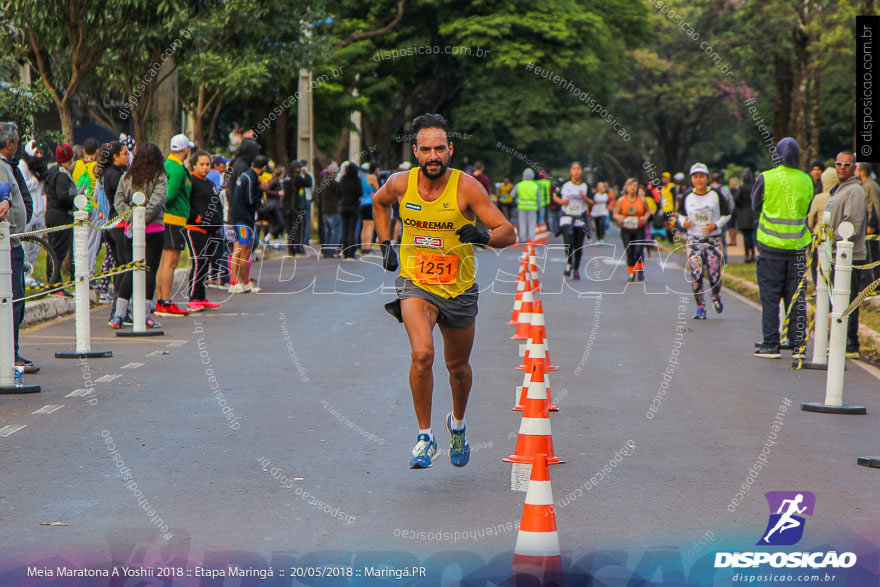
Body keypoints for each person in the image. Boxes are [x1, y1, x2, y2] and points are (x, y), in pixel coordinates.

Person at [373, 113, 515, 469]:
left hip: (458, 290)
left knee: (458, 368)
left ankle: (457, 425)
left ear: (450, 150)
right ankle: (425, 437)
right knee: (422, 355)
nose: (433, 156)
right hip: (416, 282)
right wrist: (386, 244)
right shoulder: (400, 184)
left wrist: (483, 236)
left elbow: (507, 232)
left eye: (439, 149)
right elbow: (379, 203)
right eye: (426, 150)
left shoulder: (467, 188)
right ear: (416, 152)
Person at [751, 138, 813, 359]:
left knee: (770, 298)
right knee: (796, 297)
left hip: (770, 249)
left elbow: (754, 205)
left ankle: (771, 344)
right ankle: (798, 345)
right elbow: (807, 207)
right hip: (797, 249)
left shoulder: (766, 178)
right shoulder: (806, 180)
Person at [110, 142, 167, 329]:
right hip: (154, 229)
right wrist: (143, 217)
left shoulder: (128, 176)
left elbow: (118, 199)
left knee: (130, 269)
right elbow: (157, 201)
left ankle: (119, 315)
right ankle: (144, 315)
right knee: (149, 270)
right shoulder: (160, 176)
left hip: (131, 229)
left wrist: (131, 217)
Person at [0, 123, 37, 373]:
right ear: (9, 143)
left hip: (11, 242)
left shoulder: (7, 165)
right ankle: (9, 355)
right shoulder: (3, 166)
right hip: (7, 244)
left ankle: (10, 352)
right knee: (12, 298)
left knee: (14, 298)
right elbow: (6, 195)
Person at [826, 151, 867, 359]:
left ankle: (850, 343)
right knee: (839, 300)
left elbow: (853, 224)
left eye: (847, 164)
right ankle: (840, 341)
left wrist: (836, 240)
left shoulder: (855, 191)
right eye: (839, 164)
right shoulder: (840, 189)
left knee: (848, 300)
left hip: (850, 256)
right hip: (837, 254)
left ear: (854, 168)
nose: (842, 167)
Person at [678, 163, 730, 319]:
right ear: (691, 179)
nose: (698, 180)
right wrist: (683, 222)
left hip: (712, 240)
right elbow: (680, 214)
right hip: (694, 240)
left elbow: (727, 214)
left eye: (701, 177)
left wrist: (715, 225)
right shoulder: (687, 196)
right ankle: (700, 307)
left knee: (714, 274)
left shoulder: (716, 194)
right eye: (695, 177)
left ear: (707, 178)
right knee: (696, 274)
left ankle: (715, 295)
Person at [154, 134, 193, 318]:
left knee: (164, 262)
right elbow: (168, 196)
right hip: (173, 219)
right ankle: (166, 301)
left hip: (167, 219)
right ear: (185, 150)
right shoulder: (177, 169)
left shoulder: (167, 165)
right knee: (171, 262)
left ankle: (161, 301)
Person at [95, 141, 130, 321]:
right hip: (118, 224)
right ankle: (119, 311)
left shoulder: (114, 173)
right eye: (125, 153)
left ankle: (120, 310)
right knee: (125, 267)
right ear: (115, 156)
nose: (128, 156)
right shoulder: (115, 175)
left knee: (121, 267)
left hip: (114, 223)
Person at [184, 150, 222, 312]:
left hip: (211, 230)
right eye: (202, 164)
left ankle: (202, 296)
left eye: (208, 164)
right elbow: (186, 205)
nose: (205, 168)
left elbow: (217, 204)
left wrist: (217, 225)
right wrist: (197, 218)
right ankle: (193, 297)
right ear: (194, 165)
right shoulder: (190, 182)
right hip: (195, 228)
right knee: (199, 261)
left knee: (206, 261)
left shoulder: (210, 183)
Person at [228, 154, 269, 293]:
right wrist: (262, 191)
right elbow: (250, 200)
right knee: (244, 252)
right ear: (264, 168)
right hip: (243, 219)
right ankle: (243, 282)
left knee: (237, 251)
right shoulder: (252, 178)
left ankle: (235, 282)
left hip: (236, 217)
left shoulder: (245, 176)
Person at [44, 143, 78, 282]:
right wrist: (77, 198)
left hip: (51, 213)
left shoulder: (52, 171)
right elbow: (62, 195)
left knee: (52, 251)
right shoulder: (62, 174)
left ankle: (52, 281)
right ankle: (55, 284)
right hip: (61, 216)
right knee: (58, 252)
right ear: (70, 158)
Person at [554, 161, 592, 280]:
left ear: (581, 171)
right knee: (568, 242)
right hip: (567, 216)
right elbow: (555, 197)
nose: (576, 171)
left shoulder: (585, 186)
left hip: (580, 218)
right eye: (574, 169)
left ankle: (576, 269)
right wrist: (562, 202)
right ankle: (569, 263)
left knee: (578, 246)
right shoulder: (564, 184)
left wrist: (584, 197)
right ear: (570, 171)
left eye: (578, 168)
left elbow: (592, 202)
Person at [612, 178, 651, 282]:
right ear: (626, 187)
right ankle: (631, 274)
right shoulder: (621, 200)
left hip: (639, 229)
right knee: (629, 252)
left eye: (635, 186)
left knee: (638, 251)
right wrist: (618, 217)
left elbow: (648, 211)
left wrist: (645, 217)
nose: (633, 188)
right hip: (626, 229)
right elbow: (615, 213)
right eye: (630, 185)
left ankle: (640, 270)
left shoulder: (642, 200)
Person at [807, 166, 838, 286]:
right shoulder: (839, 197)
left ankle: (818, 288)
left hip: (818, 238)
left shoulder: (819, 198)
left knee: (816, 265)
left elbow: (810, 219)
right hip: (835, 238)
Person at [856, 162, 880, 288]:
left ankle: (873, 285)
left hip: (872, 228)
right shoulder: (865, 185)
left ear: (862, 172)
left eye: (856, 170)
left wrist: (872, 224)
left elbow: (876, 206)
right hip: (866, 227)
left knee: (871, 258)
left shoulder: (870, 185)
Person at [282, 161, 313, 257]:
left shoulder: (286, 177)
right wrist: (307, 175)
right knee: (298, 229)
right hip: (295, 207)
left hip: (286, 207)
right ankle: (299, 248)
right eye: (300, 168)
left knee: (290, 229)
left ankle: (291, 250)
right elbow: (308, 183)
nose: (301, 170)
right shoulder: (296, 178)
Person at [316, 162, 342, 258]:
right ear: (334, 173)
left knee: (327, 231)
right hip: (333, 209)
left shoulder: (323, 181)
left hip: (325, 209)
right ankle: (332, 250)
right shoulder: (333, 183)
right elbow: (340, 193)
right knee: (336, 231)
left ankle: (326, 250)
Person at [339, 160, 362, 260]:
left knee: (344, 229)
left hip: (343, 206)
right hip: (353, 206)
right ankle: (351, 253)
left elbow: (339, 192)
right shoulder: (356, 180)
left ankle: (344, 252)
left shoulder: (343, 179)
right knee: (352, 230)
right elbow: (360, 192)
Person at [710, 172, 735, 263]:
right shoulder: (725, 190)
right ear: (721, 180)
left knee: (711, 240)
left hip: (711, 220)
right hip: (723, 218)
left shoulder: (708, 190)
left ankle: (712, 259)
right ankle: (724, 259)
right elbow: (731, 204)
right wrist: (728, 214)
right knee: (723, 240)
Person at [735, 168, 758, 263]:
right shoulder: (754, 187)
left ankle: (747, 254)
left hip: (744, 214)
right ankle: (753, 253)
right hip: (753, 213)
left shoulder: (742, 188)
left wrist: (741, 205)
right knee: (753, 235)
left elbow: (736, 198)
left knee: (746, 236)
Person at [513, 169, 540, 242]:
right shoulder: (535, 186)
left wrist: (517, 199)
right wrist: (539, 208)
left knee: (522, 223)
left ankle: (523, 238)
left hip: (522, 207)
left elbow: (512, 194)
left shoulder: (519, 185)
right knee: (532, 224)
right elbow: (538, 198)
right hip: (532, 207)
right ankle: (531, 239)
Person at [359, 163, 377, 254]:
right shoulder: (372, 177)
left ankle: (363, 246)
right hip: (370, 203)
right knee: (370, 226)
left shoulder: (364, 177)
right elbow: (379, 189)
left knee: (364, 226)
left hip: (363, 203)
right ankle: (368, 247)